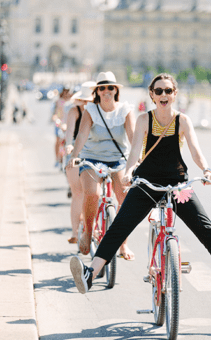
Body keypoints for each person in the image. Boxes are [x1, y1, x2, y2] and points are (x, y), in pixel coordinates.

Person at [68, 73, 211, 295]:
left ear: (175, 94)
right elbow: (135, 150)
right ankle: (90, 274)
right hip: (146, 184)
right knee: (120, 226)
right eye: (159, 91)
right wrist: (129, 172)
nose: (163, 95)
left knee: (206, 229)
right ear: (152, 95)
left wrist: (206, 170)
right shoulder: (144, 120)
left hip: (178, 186)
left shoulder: (183, 121)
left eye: (168, 90)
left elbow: (196, 152)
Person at [67, 72, 136, 260]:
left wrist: (139, 159)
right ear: (97, 91)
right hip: (91, 158)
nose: (106, 91)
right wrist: (74, 156)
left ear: (116, 90)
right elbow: (81, 135)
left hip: (118, 159)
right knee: (93, 194)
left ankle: (123, 244)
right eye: (102, 87)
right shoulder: (91, 110)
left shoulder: (125, 110)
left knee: (124, 197)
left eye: (110, 87)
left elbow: (132, 137)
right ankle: (88, 232)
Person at [64, 81, 95, 244]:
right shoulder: (74, 112)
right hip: (77, 153)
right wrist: (70, 146)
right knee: (78, 193)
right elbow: (69, 133)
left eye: (91, 101)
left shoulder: (101, 112)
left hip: (96, 154)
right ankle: (75, 233)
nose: (88, 105)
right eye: (85, 102)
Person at [52, 85, 72, 168]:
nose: (66, 93)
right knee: (58, 141)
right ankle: (57, 159)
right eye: (65, 91)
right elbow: (55, 114)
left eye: (68, 91)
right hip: (60, 123)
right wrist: (57, 120)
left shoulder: (72, 101)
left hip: (69, 124)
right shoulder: (58, 101)